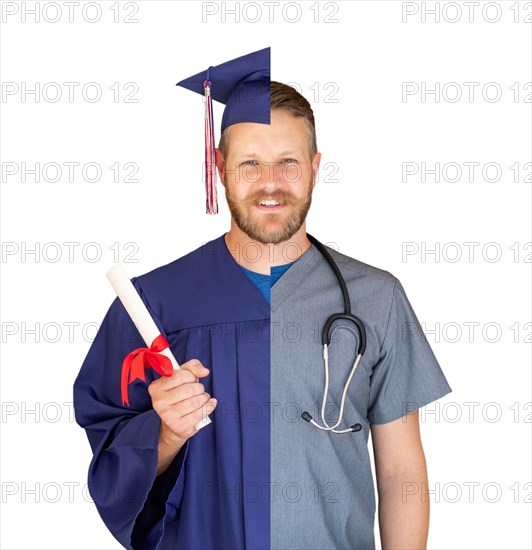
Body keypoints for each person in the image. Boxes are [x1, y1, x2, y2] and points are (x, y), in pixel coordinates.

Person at [74, 47, 452, 550]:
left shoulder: (376, 298)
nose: (270, 183)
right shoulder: (152, 305)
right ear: (220, 166)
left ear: (316, 167)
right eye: (251, 163)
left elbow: (402, 466)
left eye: (288, 163)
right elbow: (109, 464)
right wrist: (163, 433)